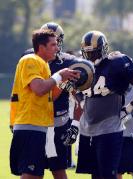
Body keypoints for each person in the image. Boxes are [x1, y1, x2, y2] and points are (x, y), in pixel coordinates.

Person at [75, 30, 133, 179]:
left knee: (109, 175)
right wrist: (81, 100)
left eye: (94, 52)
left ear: (103, 49)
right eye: (87, 53)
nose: (90, 56)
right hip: (88, 130)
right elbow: (71, 87)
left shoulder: (116, 63)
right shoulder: (84, 68)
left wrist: (128, 108)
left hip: (110, 129)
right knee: (95, 175)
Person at [9, 29, 80, 179]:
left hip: (38, 127)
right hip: (30, 125)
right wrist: (59, 76)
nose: (57, 48)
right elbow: (39, 89)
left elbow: (50, 97)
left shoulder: (43, 64)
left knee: (36, 175)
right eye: (53, 44)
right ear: (41, 47)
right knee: (31, 175)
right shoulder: (31, 60)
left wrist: (64, 81)